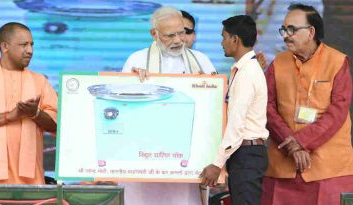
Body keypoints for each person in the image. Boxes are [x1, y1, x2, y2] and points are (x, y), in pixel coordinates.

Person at [122, 6, 216, 205]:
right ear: (154, 34)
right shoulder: (137, 60)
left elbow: (215, 105)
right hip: (145, 157)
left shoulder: (201, 62)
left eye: (181, 33)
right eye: (170, 35)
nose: (178, 40)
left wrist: (206, 86)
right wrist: (133, 81)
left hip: (185, 157)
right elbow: (123, 107)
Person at [261, 3, 353, 205]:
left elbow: (338, 111)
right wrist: (292, 145)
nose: (285, 35)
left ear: (311, 32)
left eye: (292, 29)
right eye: (283, 29)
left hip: (329, 168)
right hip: (283, 166)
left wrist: (302, 142)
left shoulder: (337, 61)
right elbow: (266, 107)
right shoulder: (277, 63)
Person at [0, 22, 58, 184]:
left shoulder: (40, 81)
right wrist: (10, 116)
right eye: (23, 45)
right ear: (5, 46)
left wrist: (35, 114)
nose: (30, 50)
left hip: (31, 181)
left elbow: (57, 125)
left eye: (32, 45)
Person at [200, 15, 269, 205]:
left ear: (235, 39)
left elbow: (237, 124)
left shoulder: (247, 73)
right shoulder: (244, 69)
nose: (222, 43)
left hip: (247, 154)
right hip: (245, 154)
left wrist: (217, 163)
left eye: (224, 37)